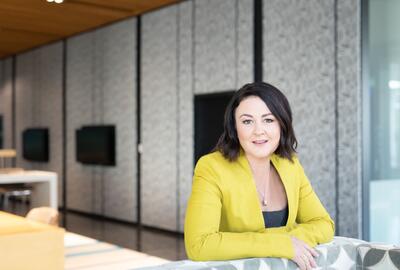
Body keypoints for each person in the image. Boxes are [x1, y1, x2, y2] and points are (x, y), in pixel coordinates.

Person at [184, 82, 334, 270]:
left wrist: (283, 241)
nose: (258, 130)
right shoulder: (211, 167)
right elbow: (199, 245)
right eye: (247, 121)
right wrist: (281, 244)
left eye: (268, 120)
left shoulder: (291, 165)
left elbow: (324, 224)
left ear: (282, 124)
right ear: (235, 128)